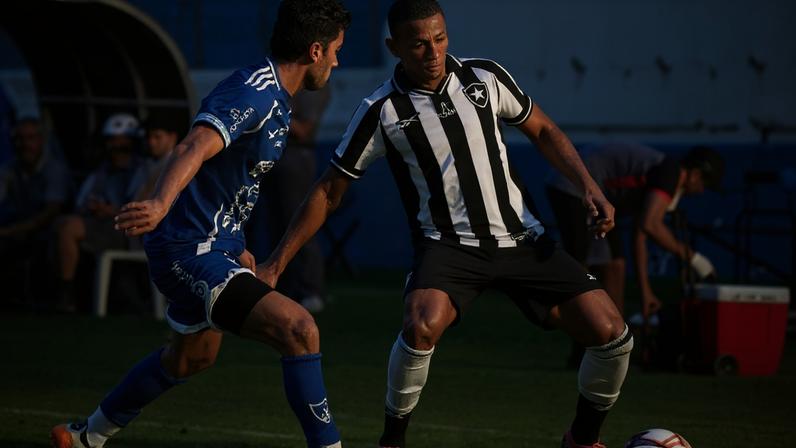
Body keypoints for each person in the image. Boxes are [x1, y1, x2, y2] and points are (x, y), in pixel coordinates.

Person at [259, 2, 631, 447]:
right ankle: (392, 440)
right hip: (448, 246)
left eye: (439, 38)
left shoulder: (485, 78)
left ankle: (582, 440)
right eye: (418, 43)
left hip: (522, 238)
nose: (432, 51)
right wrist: (277, 263)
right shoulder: (381, 110)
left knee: (613, 335)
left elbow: (544, 131)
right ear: (394, 47)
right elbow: (327, 191)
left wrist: (589, 185)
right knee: (419, 326)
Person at [50, 1, 350, 447]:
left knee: (191, 359)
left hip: (215, 245)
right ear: (314, 51)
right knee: (299, 330)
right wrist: (158, 202)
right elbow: (193, 146)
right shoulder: (254, 91)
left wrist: (235, 241)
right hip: (187, 249)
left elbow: (229, 179)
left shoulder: (280, 101)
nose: (337, 61)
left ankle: (86, 437)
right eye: (335, 51)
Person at [546, 143, 724, 319]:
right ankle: (574, 322)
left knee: (616, 265)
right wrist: (694, 259)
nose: (701, 192)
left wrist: (645, 294)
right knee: (581, 266)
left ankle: (615, 333)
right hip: (573, 184)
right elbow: (651, 224)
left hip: (593, 191)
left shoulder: (661, 174)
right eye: (704, 185)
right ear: (695, 175)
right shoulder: (669, 174)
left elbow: (639, 237)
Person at [54, 112, 148, 312]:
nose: (116, 150)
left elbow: (141, 209)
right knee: (62, 224)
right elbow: (83, 201)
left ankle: (65, 295)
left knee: (69, 228)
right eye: (112, 143)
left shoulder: (143, 171)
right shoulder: (102, 171)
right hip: (100, 225)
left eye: (123, 145)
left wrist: (110, 210)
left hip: (126, 231)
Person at [263, 85, 332, 313]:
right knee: (277, 226)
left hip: (296, 156)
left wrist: (272, 110)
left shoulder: (312, 89)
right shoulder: (282, 85)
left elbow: (304, 130)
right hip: (275, 157)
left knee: (300, 225)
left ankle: (311, 290)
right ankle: (284, 288)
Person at [0, 117, 71, 303]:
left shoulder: (54, 169)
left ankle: (59, 299)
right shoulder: (10, 169)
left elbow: (50, 212)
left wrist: (11, 231)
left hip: (47, 230)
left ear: (41, 140)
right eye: (20, 139)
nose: (25, 144)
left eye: (31, 138)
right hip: (20, 227)